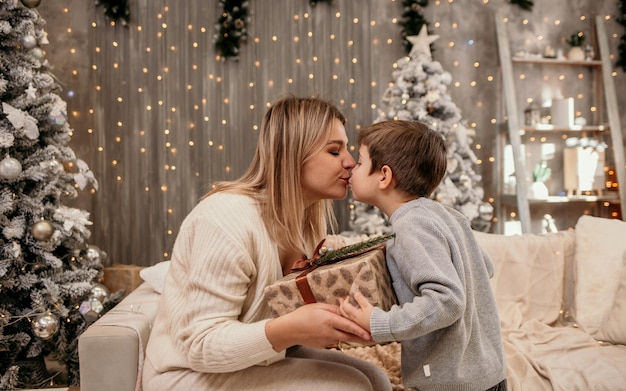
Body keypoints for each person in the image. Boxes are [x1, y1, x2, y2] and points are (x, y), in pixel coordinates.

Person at [142, 95, 392, 391]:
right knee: (351, 387)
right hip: (185, 373)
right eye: (334, 151)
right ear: (292, 155)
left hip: (255, 360)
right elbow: (200, 345)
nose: (350, 162)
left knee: (377, 379)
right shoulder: (226, 219)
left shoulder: (304, 221)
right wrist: (290, 330)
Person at [340, 120, 507, 391]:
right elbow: (483, 266)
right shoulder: (443, 214)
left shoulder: (410, 226)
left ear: (384, 176)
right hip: (488, 373)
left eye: (359, 162)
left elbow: (448, 300)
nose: (351, 168)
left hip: (451, 383)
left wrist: (381, 322)